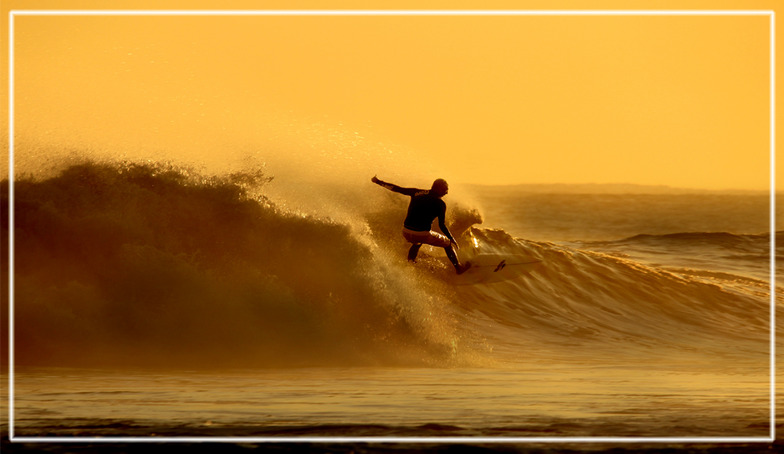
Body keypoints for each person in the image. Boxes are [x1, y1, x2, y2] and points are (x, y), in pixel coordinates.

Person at [372, 175, 471, 275]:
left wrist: (379, 182)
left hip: (406, 231)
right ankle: (459, 268)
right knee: (448, 244)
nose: (446, 192)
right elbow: (442, 225)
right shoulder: (440, 204)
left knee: (417, 242)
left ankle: (410, 264)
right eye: (445, 189)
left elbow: (397, 189)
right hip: (421, 234)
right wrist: (451, 238)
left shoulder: (416, 192)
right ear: (438, 188)